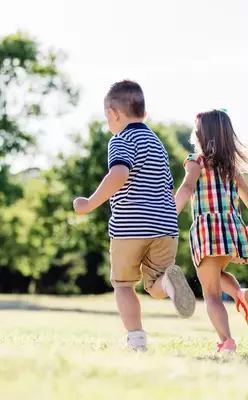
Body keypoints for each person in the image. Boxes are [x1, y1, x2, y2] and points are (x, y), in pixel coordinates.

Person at [73, 80, 195, 351]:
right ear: (144, 113)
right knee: (155, 286)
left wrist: (90, 203)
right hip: (165, 227)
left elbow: (119, 173)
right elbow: (167, 185)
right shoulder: (157, 143)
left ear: (114, 113)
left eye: (107, 117)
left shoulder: (121, 139)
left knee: (124, 285)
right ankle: (168, 282)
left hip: (130, 227)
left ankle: (137, 339)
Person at [175, 109, 248, 354]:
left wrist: (170, 212)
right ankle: (240, 292)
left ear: (201, 136)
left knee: (211, 294)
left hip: (206, 229)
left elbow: (186, 188)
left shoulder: (196, 162)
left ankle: (226, 341)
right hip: (231, 229)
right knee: (219, 274)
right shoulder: (230, 168)